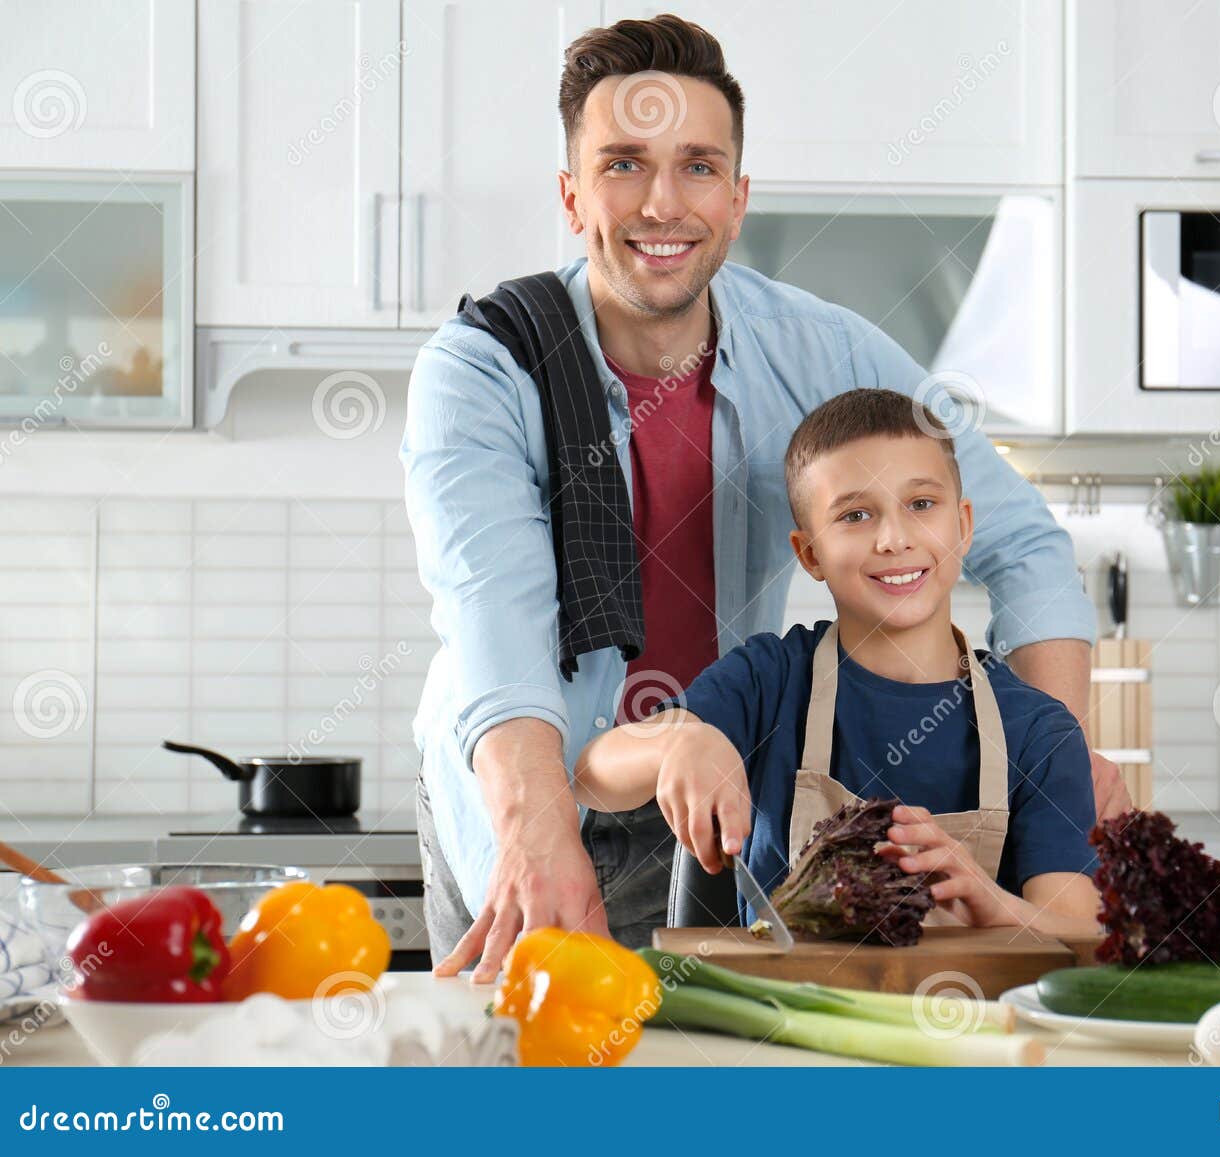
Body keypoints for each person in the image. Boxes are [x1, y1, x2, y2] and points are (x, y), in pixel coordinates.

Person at [402, 13, 1125, 981]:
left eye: (697, 165)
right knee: (522, 1076)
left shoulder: (821, 348)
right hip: (526, 782)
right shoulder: (484, 369)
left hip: (713, 798)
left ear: (737, 199)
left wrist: (1055, 772)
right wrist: (536, 832)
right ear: (572, 197)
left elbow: (1025, 543)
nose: (663, 202)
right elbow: (494, 617)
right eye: (623, 164)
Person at [572, 389, 1102, 934]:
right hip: (785, 1015)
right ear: (810, 554)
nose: (894, 539)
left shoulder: (1040, 731)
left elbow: (1078, 932)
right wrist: (678, 738)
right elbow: (594, 774)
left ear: (962, 526)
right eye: (855, 515)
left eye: (921, 505)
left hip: (975, 1016)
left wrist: (993, 904)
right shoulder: (770, 680)